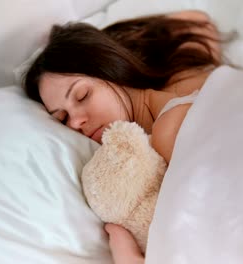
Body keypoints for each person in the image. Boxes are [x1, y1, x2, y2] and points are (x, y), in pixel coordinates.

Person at [23, 10, 222, 264]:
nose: (75, 122)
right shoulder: (183, 75)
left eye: (83, 95)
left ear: (111, 69)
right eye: (62, 118)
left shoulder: (168, 129)